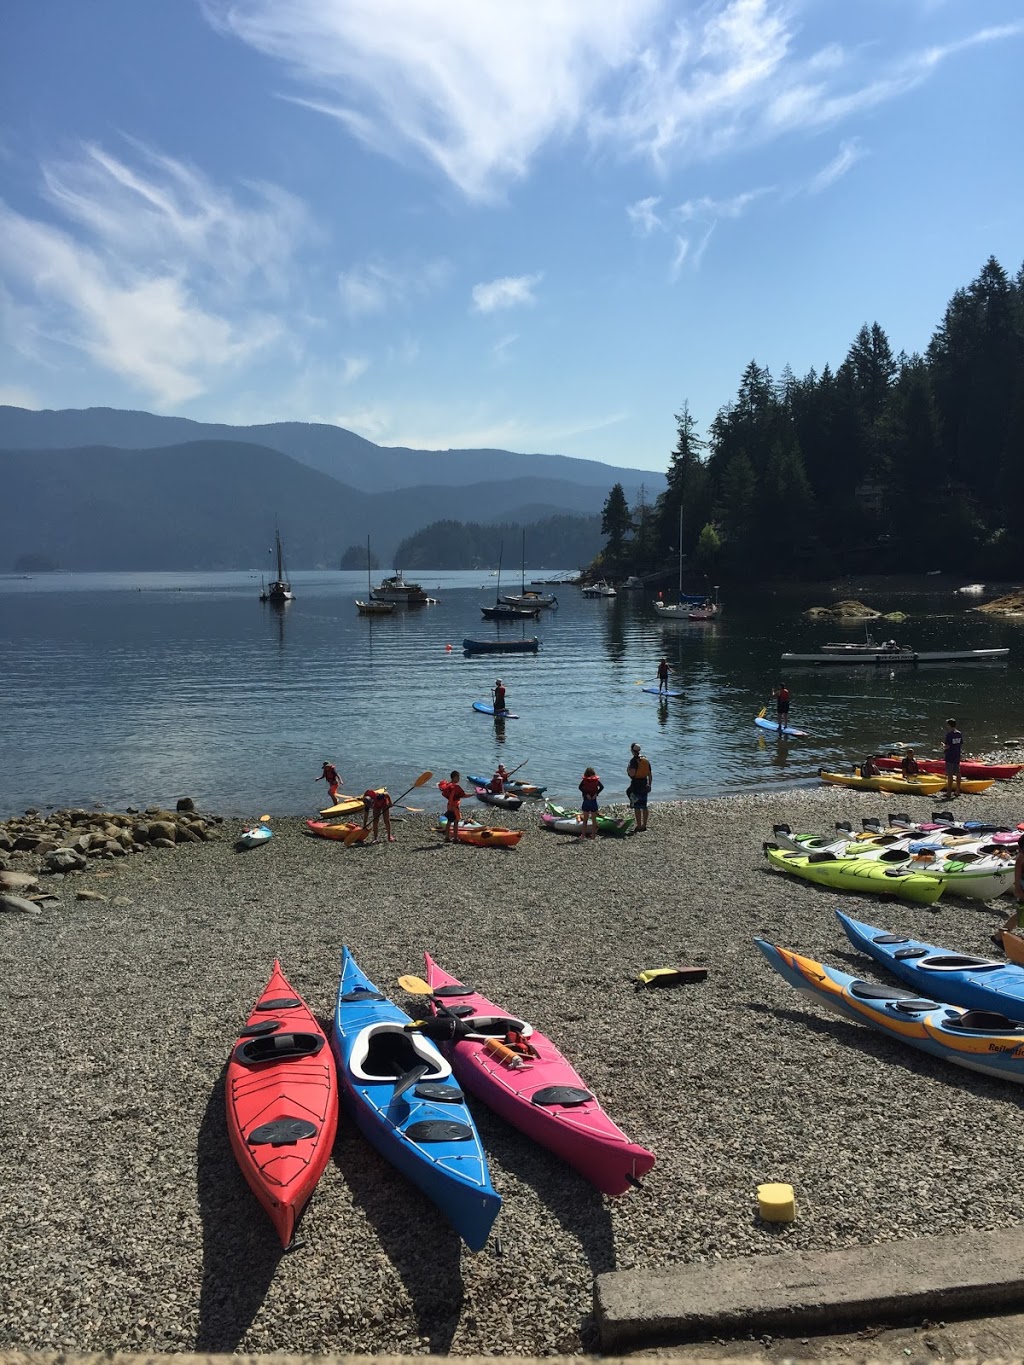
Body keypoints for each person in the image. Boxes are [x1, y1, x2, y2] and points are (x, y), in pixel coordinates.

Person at [626, 742, 652, 832]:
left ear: (632, 751)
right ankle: (644, 825)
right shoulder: (645, 760)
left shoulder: (633, 761)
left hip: (636, 784)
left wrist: (628, 772)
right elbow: (649, 774)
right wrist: (649, 784)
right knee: (644, 806)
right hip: (645, 784)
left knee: (637, 806)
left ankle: (639, 825)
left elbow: (632, 774)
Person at [440, 770, 467, 843]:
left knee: (449, 821)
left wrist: (450, 804)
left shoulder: (448, 785)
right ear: (454, 777)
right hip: (454, 806)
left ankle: (447, 837)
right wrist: (472, 795)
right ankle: (455, 838)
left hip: (449, 806)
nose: (459, 779)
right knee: (456, 822)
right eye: (458, 777)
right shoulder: (454, 787)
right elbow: (455, 796)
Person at [578, 766, 603, 839]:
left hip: (586, 800)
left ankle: (583, 835)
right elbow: (602, 787)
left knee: (585, 819)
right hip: (593, 800)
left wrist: (586, 794)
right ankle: (593, 835)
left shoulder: (584, 781)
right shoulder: (596, 781)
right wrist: (596, 794)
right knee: (594, 819)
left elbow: (580, 787)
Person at [943, 717, 963, 798]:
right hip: (957, 755)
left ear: (949, 725)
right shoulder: (959, 733)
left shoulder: (949, 734)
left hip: (950, 755)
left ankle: (949, 792)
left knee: (950, 774)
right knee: (958, 773)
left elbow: (947, 746)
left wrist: (944, 747)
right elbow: (960, 743)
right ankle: (957, 791)